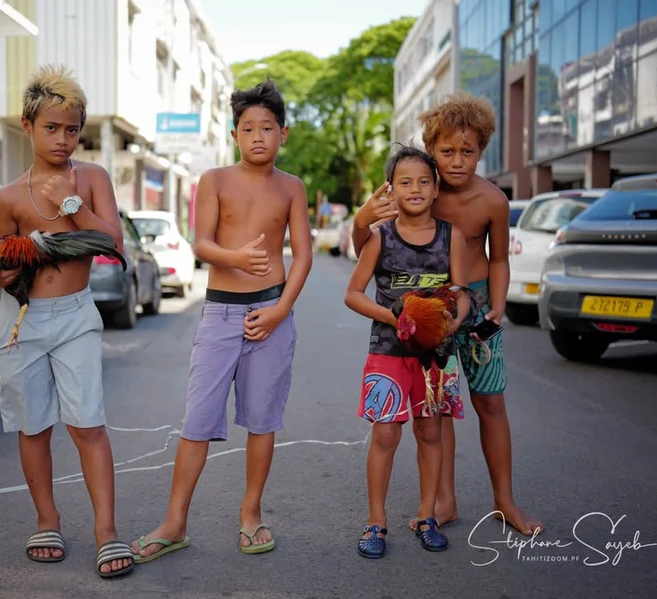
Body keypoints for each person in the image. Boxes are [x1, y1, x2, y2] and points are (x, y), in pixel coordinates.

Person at [130, 79, 313, 562]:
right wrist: (234, 256)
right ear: (235, 135)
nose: (258, 136)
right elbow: (202, 244)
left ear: (283, 134)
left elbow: (304, 258)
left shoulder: (292, 187)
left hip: (271, 313)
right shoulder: (213, 181)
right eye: (248, 128)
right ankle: (175, 522)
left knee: (262, 420)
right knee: (197, 420)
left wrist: (279, 311)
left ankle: (250, 514)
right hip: (220, 312)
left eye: (267, 128)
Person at [350, 91, 544, 537]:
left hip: (475, 307)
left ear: (482, 150)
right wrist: (361, 219)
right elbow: (372, 248)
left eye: (468, 151)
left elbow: (497, 258)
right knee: (436, 406)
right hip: (428, 308)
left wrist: (497, 305)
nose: (457, 161)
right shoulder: (420, 192)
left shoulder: (493, 201)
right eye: (447, 151)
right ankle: (445, 500)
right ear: (432, 151)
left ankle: (504, 501)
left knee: (490, 401)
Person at [0, 64, 135, 578]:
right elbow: (3, 269)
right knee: (33, 426)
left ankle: (106, 531)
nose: (63, 139)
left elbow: (112, 243)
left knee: (88, 424)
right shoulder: (9, 197)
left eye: (72, 129)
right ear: (27, 127)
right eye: (51, 128)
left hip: (75, 317)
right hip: (23, 320)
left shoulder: (90, 178)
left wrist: (70, 207)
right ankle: (46, 518)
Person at [345, 145, 469, 557]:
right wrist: (392, 317)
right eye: (404, 182)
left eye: (423, 181)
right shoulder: (381, 237)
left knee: (430, 432)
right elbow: (352, 294)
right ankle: (375, 522)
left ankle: (427, 514)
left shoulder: (451, 236)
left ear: (436, 189)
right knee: (385, 434)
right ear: (391, 190)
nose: (414, 189)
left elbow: (461, 291)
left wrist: (452, 322)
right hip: (388, 351)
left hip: (435, 356)